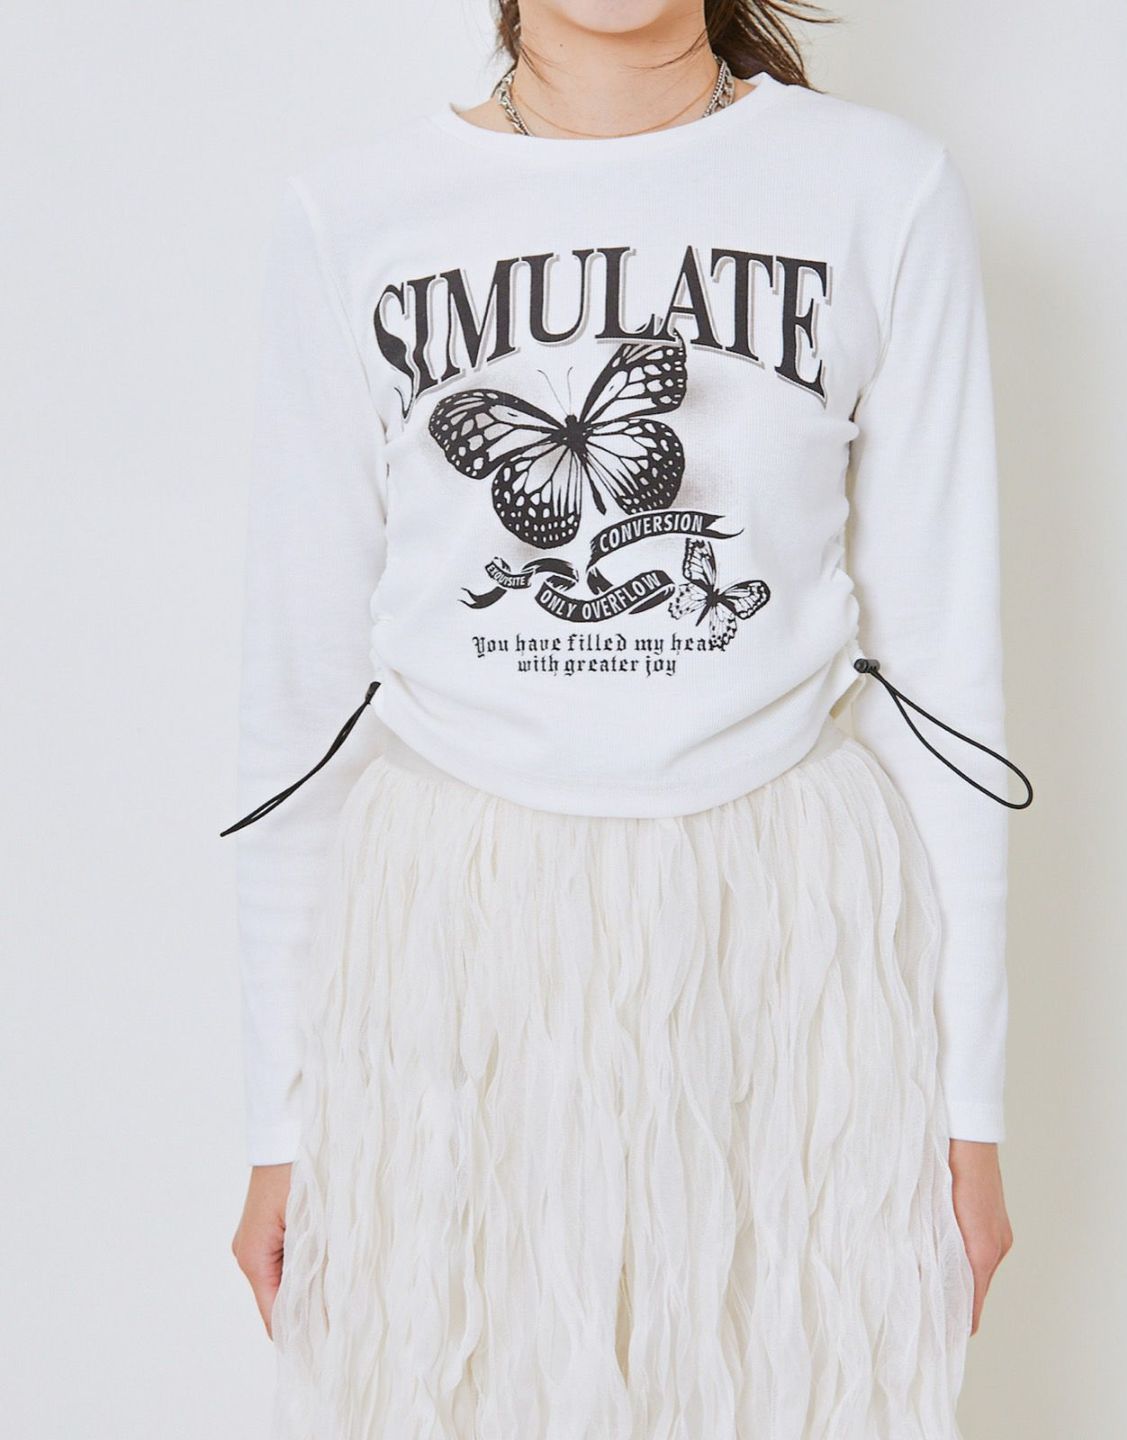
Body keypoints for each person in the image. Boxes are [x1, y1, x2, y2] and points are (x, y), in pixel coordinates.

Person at [227, 2, 1027, 1435]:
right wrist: (281, 1123)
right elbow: (301, 705)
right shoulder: (350, 215)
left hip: (787, 940)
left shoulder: (882, 188)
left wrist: (971, 1107)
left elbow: (943, 683)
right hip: (455, 950)